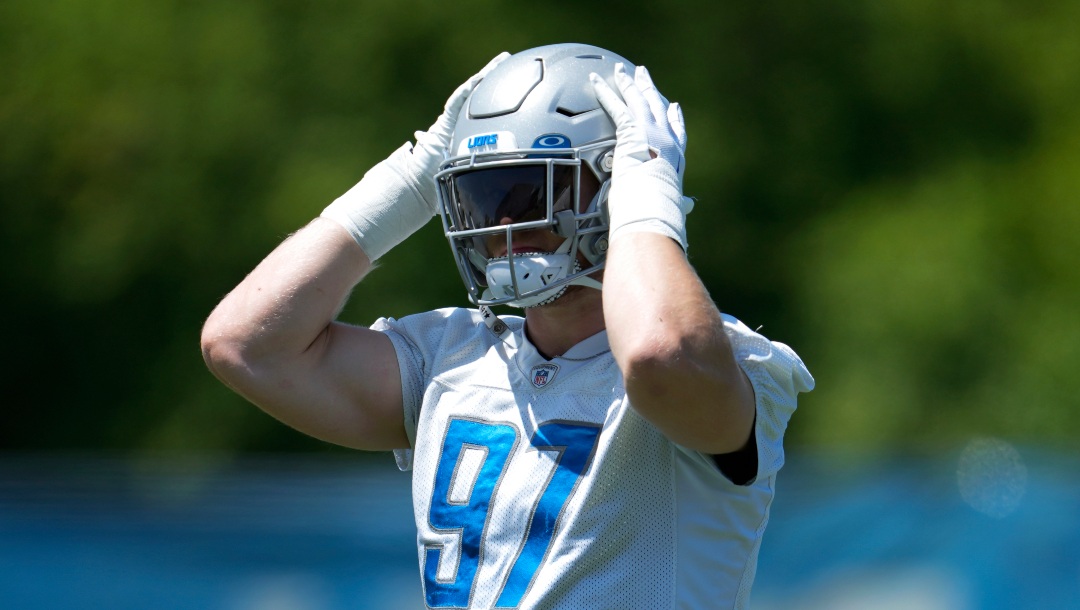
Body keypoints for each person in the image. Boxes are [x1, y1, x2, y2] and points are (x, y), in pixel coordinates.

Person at [201, 43, 814, 609]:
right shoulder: (452, 359)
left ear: (614, 186)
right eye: (484, 197)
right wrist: (409, 179)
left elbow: (660, 353)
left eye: (528, 193)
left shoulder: (726, 359)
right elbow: (246, 344)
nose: (501, 224)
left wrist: (649, 195)